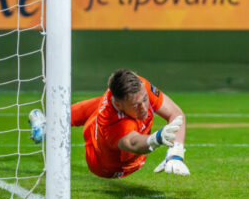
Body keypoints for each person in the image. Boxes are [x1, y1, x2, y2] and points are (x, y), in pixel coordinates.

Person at [28, 69, 189, 178]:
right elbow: (132, 142)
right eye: (136, 105)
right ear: (118, 105)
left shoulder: (140, 87)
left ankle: (49, 123)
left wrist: (176, 152)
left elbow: (176, 114)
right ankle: (51, 124)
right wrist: (156, 139)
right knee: (95, 119)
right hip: (104, 164)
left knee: (97, 105)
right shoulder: (114, 124)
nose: (144, 107)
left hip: (108, 121)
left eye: (145, 99)